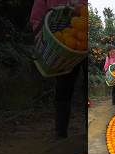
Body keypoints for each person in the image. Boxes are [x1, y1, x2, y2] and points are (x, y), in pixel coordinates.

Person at [30, 0, 86, 139]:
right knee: (63, 88)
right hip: (60, 47)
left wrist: (81, 8)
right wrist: (39, 33)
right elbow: (36, 18)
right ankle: (61, 133)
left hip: (84, 43)